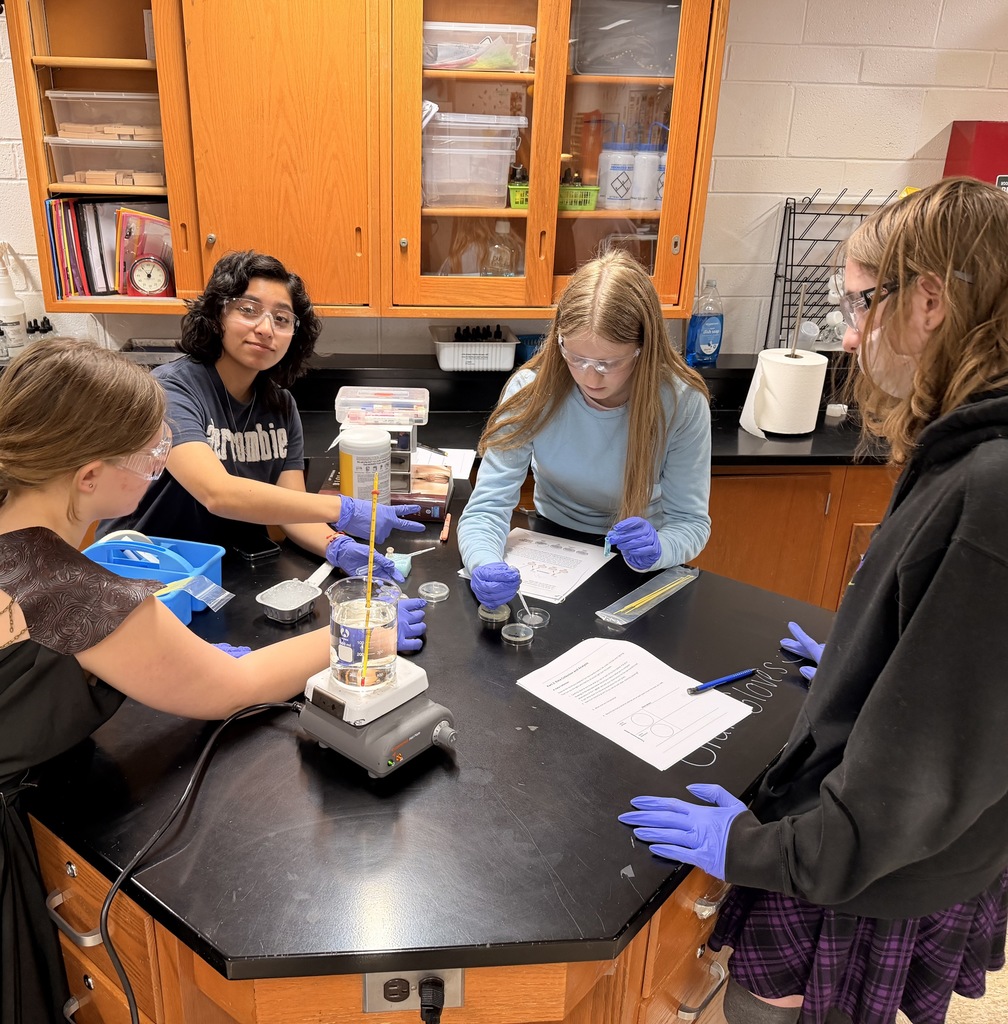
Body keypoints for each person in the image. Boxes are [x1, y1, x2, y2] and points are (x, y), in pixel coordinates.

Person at [619, 177, 1008, 1024]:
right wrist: (864, 668)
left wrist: (760, 848)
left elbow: (931, 764)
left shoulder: (992, 484)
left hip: (873, 868)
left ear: (931, 301)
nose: (852, 332)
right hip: (880, 850)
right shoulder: (969, 447)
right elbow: (961, 665)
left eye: (860, 305)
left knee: (767, 1011)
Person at [0, 339, 342, 1023]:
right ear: (89, 475)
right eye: (150, 459)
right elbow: (228, 688)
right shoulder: (73, 592)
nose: (160, 468)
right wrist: (358, 634)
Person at [99, 250, 426, 649]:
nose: (265, 328)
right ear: (218, 315)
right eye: (249, 309)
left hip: (222, 575)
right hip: (145, 578)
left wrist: (335, 545)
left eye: (282, 318)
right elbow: (217, 493)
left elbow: (288, 506)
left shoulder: (280, 404)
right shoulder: (172, 390)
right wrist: (345, 509)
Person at [456, 250, 712, 606]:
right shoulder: (531, 392)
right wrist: (483, 562)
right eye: (575, 357)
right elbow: (487, 507)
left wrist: (660, 549)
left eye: (608, 363)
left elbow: (691, 523)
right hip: (551, 541)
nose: (590, 377)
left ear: (643, 348)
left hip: (636, 562)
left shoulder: (681, 403)